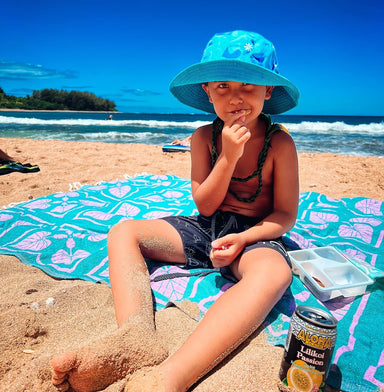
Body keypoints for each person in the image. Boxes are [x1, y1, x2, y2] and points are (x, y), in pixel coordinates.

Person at [51, 30, 300, 392]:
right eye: (222, 86)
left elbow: (285, 216)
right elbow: (206, 204)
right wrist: (227, 157)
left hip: (254, 234)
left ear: (268, 91)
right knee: (124, 232)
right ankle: (135, 336)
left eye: (249, 85)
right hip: (206, 226)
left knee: (275, 274)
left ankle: (172, 376)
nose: (235, 98)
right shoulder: (203, 138)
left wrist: (243, 238)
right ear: (207, 91)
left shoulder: (281, 143)